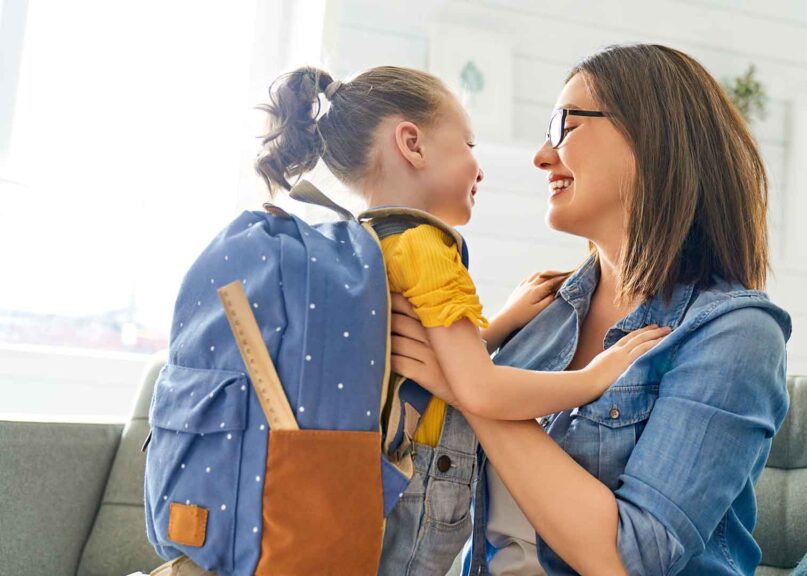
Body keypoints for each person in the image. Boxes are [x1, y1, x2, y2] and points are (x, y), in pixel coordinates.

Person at [389, 44, 793, 575]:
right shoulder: (541, 314)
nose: (541, 155)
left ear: (653, 137)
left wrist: (473, 389)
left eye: (563, 125)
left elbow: (629, 558)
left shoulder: (735, 335)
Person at [254, 63, 668, 574]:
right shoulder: (427, 247)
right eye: (469, 145)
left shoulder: (366, 242)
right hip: (419, 483)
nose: (480, 167)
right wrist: (593, 378)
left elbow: (417, 358)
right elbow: (480, 390)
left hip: (363, 478)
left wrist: (498, 325)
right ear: (413, 144)